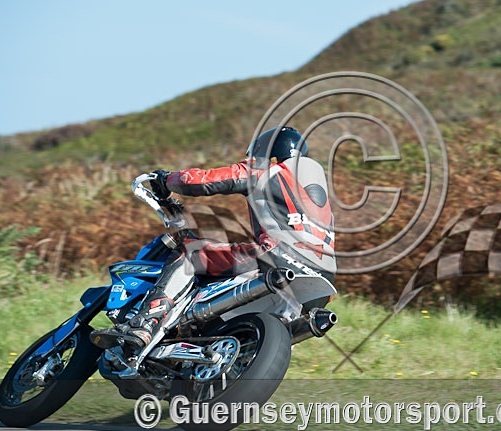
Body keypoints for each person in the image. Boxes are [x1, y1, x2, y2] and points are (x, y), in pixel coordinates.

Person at [91, 126, 335, 350]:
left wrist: (165, 180)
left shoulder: (269, 172)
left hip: (278, 256)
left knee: (190, 254)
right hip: (323, 282)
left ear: (269, 154)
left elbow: (200, 181)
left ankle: (144, 323)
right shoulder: (319, 199)